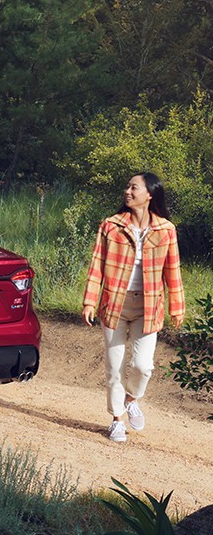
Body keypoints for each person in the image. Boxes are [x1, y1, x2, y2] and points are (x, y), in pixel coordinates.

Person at [82, 172, 184, 443]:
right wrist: (90, 301)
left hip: (148, 306)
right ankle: (116, 420)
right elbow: (96, 266)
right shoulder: (111, 226)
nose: (127, 191)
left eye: (133, 187)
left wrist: (177, 307)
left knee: (142, 366)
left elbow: (172, 270)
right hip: (114, 304)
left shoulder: (166, 230)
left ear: (150, 195)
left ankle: (131, 399)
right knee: (114, 367)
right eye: (127, 186)